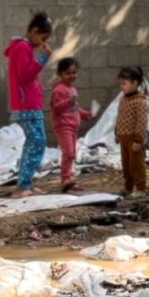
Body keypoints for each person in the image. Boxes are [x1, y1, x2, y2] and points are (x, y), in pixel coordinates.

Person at [4, 12, 52, 198]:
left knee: (33, 143)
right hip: (27, 107)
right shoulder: (23, 48)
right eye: (43, 37)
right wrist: (42, 58)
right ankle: (22, 185)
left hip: (28, 105)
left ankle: (25, 183)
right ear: (33, 31)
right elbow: (25, 76)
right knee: (37, 142)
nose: (43, 42)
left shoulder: (23, 48)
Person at [51, 57, 95, 194]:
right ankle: (65, 179)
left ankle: (70, 180)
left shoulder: (72, 89)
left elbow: (74, 108)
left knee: (72, 154)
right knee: (68, 153)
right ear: (60, 73)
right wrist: (69, 102)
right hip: (63, 126)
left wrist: (86, 114)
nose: (72, 76)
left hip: (72, 126)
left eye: (74, 72)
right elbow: (55, 107)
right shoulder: (59, 89)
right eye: (68, 73)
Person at [115, 65, 149, 198]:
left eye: (124, 83)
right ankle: (128, 188)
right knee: (126, 165)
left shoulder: (140, 101)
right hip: (123, 137)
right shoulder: (123, 99)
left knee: (136, 165)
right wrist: (117, 133)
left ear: (135, 83)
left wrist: (138, 140)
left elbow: (141, 122)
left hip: (133, 140)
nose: (121, 86)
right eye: (120, 83)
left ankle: (141, 189)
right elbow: (119, 116)